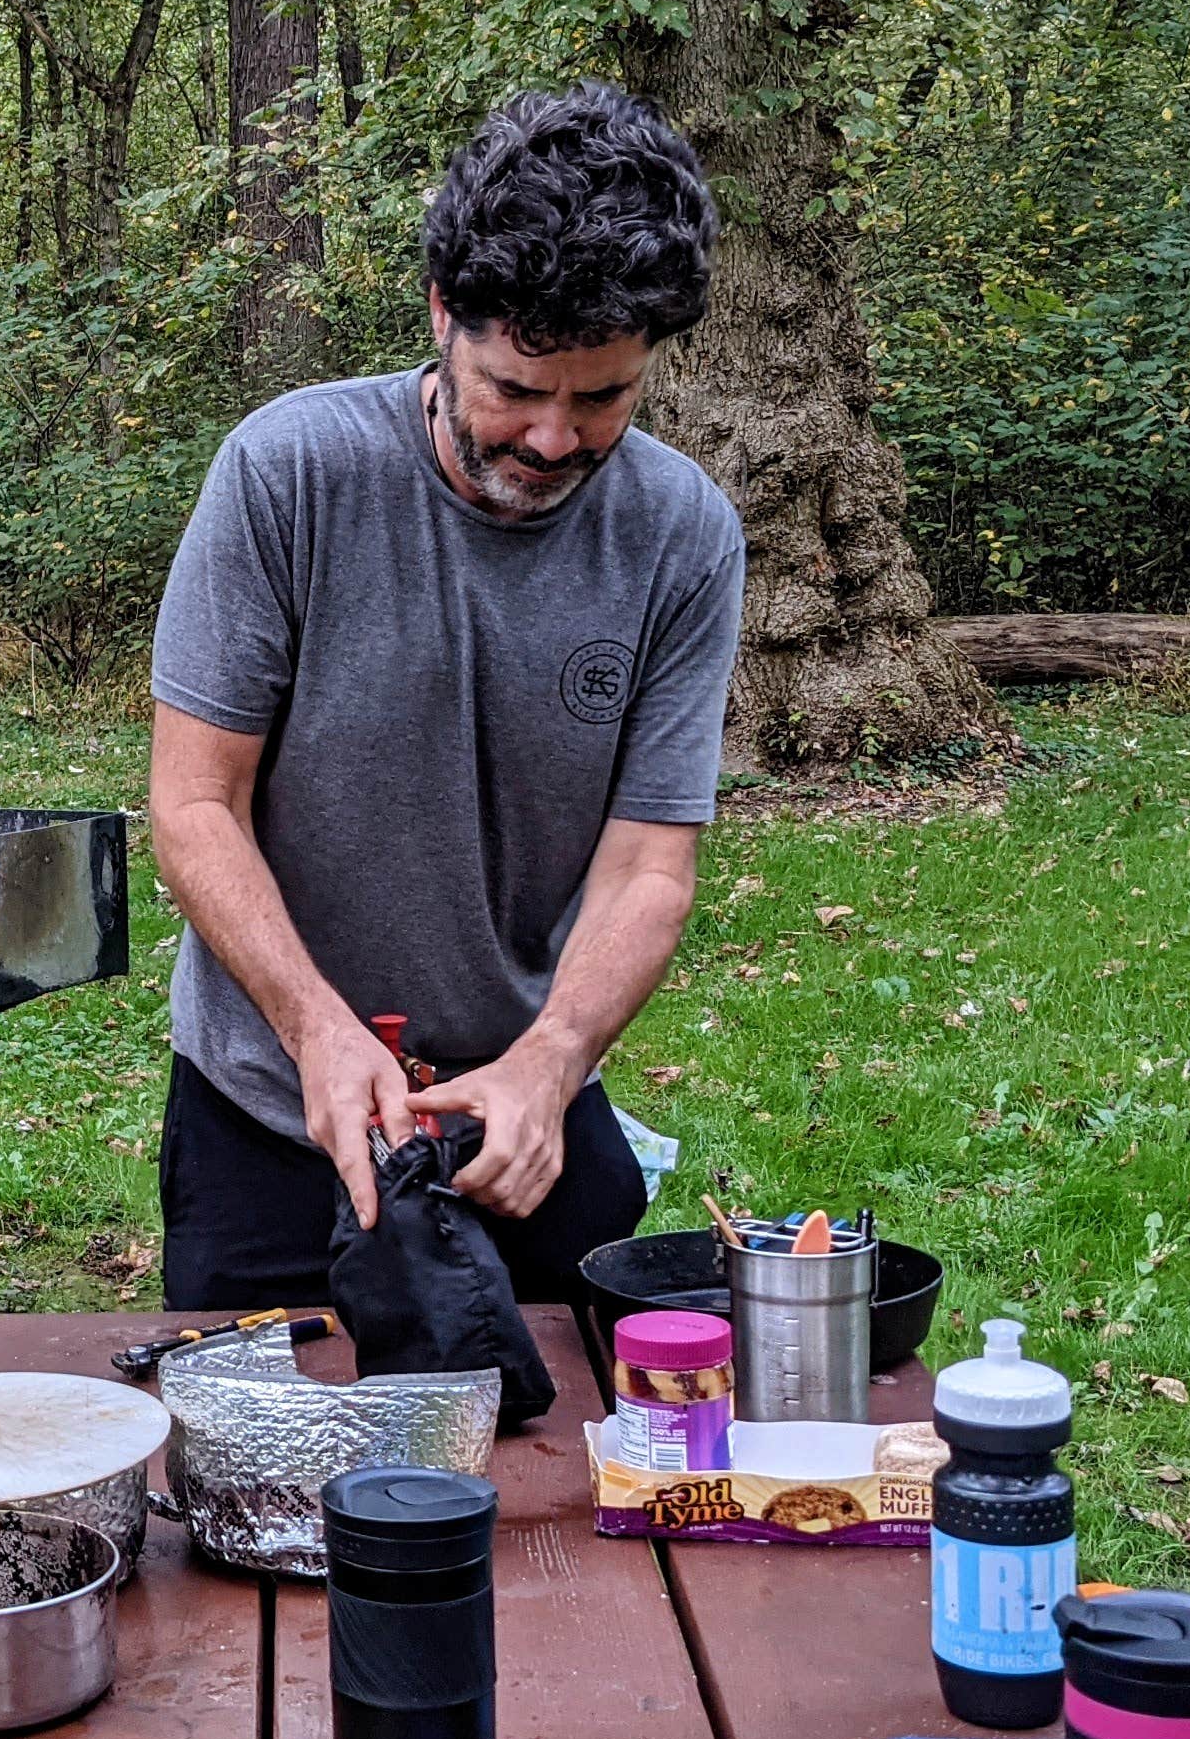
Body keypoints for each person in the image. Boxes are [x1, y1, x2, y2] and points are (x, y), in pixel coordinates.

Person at [148, 83, 744, 1311]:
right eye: (516, 388)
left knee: (579, 1466)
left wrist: (554, 1062)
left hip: (524, 1109)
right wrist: (318, 1030)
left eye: (604, 398)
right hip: (273, 1103)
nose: (553, 439)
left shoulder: (682, 533)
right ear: (442, 314)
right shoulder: (289, 473)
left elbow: (648, 870)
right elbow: (195, 804)